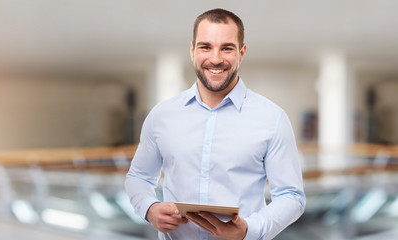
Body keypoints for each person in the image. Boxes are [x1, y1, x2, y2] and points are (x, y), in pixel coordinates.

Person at [125, 8, 305, 240]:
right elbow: (138, 177)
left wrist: (249, 230)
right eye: (205, 47)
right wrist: (150, 209)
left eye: (227, 48)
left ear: (242, 52)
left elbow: (292, 196)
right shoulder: (161, 115)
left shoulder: (272, 118)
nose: (216, 59)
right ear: (192, 50)